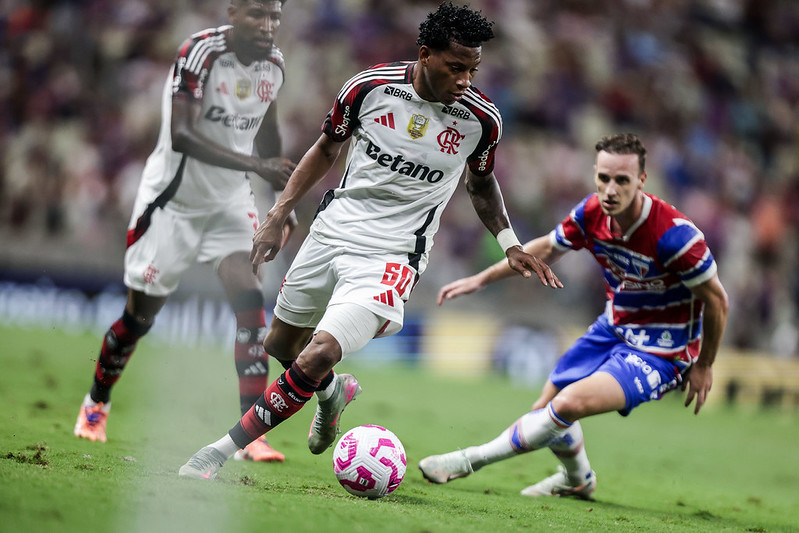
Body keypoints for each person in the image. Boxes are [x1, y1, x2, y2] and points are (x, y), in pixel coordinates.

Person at [178, 2, 562, 480]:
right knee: (281, 345)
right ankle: (331, 393)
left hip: (394, 254)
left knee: (320, 352)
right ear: (425, 55)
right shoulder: (369, 88)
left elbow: (481, 184)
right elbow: (326, 149)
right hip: (333, 231)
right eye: (455, 67)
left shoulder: (481, 121)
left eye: (473, 70)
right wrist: (278, 213)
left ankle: (217, 451)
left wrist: (510, 242)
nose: (465, 80)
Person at [417, 133, 729, 500]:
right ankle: (578, 479)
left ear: (642, 180)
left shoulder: (675, 237)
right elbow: (547, 248)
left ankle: (465, 461)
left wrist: (705, 363)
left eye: (622, 180)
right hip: (613, 327)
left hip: (662, 350)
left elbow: (717, 301)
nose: (610, 189)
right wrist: (481, 278)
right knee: (544, 411)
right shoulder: (592, 213)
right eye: (604, 178)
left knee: (566, 405)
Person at [73, 0, 297, 463]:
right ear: (233, 11)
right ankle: (96, 403)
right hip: (172, 203)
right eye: (257, 14)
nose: (267, 25)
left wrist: (281, 199)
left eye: (275, 16)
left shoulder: (274, 64)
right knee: (139, 319)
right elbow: (183, 135)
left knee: (250, 303)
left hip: (229, 201)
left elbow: (268, 132)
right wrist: (259, 166)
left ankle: (250, 434)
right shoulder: (200, 52)